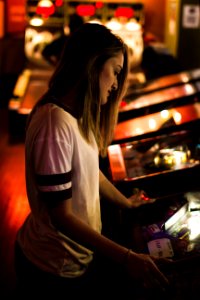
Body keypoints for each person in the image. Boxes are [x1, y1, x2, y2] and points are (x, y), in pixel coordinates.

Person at [14, 23, 172, 299]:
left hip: (74, 259)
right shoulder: (55, 124)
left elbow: (90, 172)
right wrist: (127, 257)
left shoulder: (75, 114)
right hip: (52, 267)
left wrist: (126, 202)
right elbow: (61, 216)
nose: (114, 84)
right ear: (91, 64)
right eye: (115, 72)